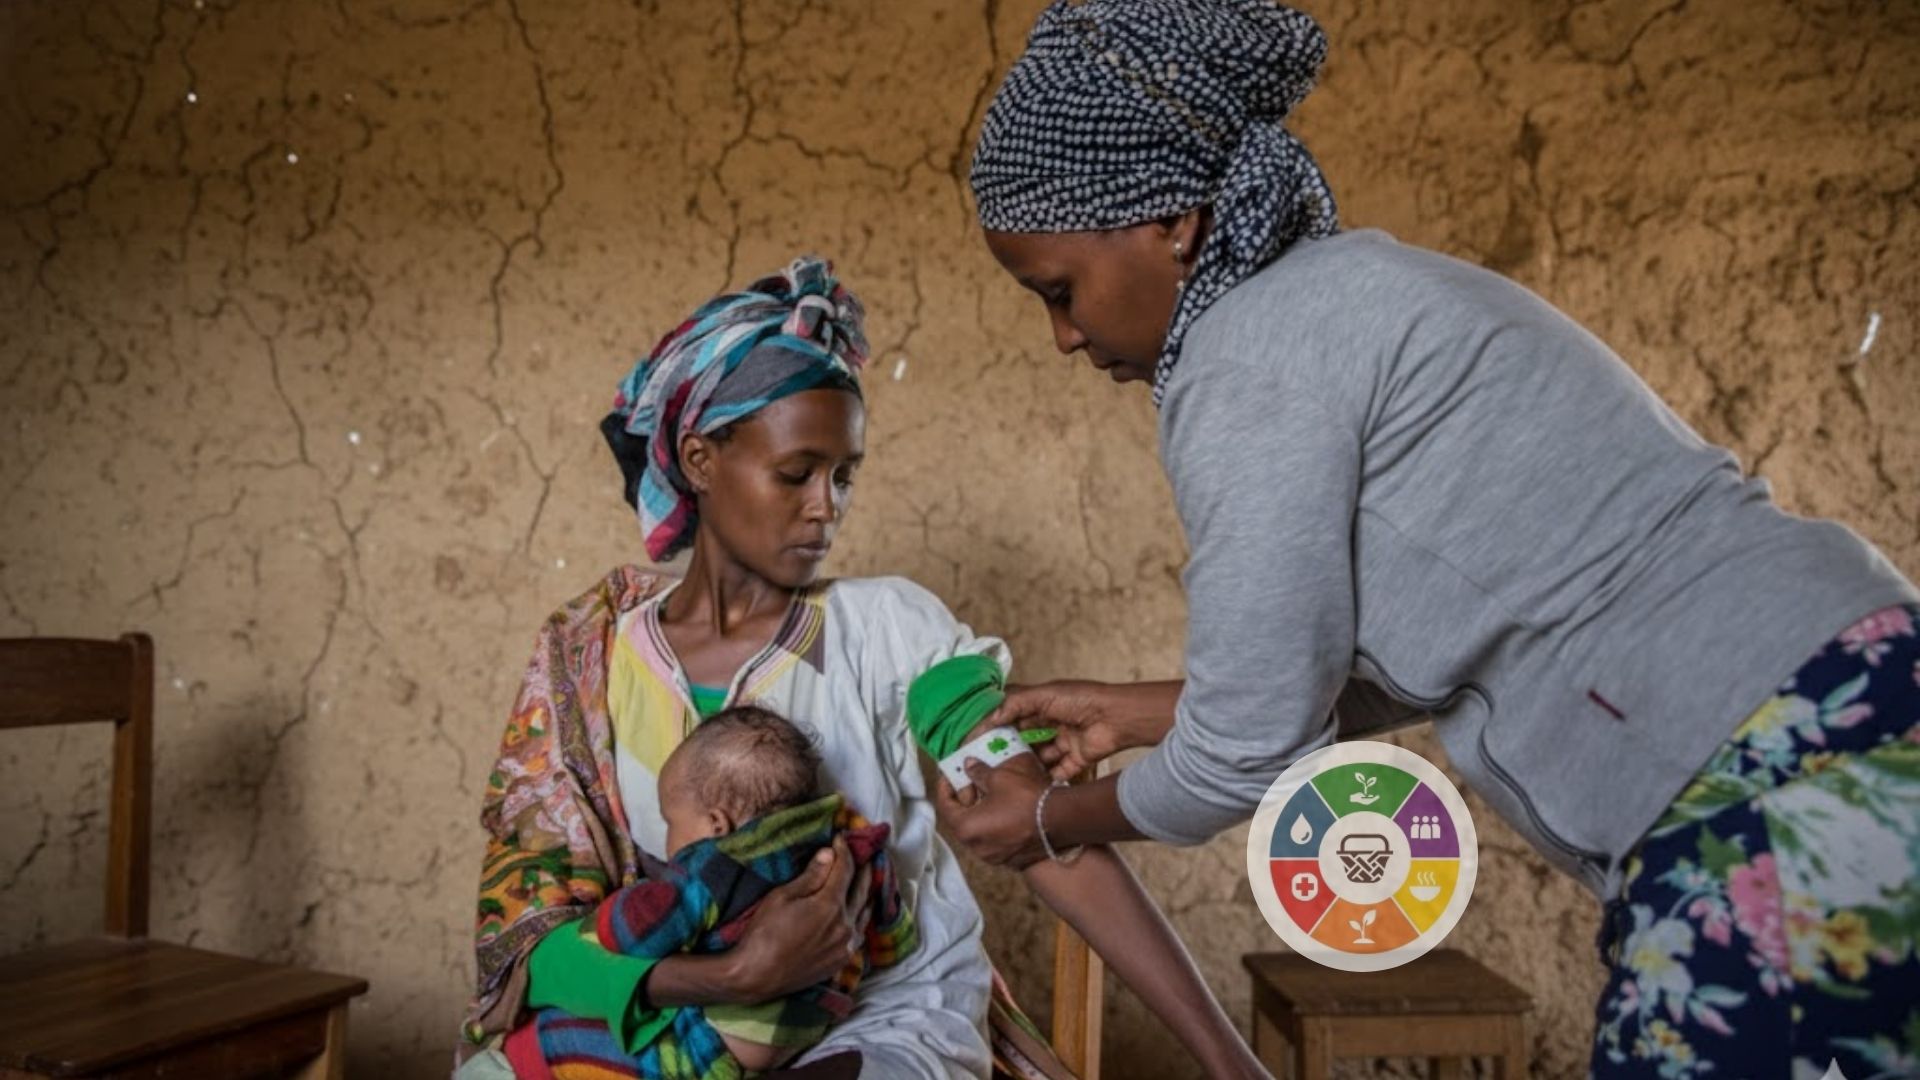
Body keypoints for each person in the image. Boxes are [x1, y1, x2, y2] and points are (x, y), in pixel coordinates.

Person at [937, 3, 1920, 1077]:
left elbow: (1245, 752)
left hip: (1756, 760)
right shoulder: (1350, 297)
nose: (1065, 337)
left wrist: (1047, 821)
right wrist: (1156, 708)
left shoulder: (1244, 355)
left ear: (1173, 219)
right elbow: (1481, 611)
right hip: (1846, 695)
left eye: (1059, 291)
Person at [461, 256, 1265, 1080]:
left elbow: (1040, 830)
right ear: (699, 461)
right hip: (677, 1029)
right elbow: (530, 938)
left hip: (881, 1025)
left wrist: (1230, 1065)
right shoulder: (587, 659)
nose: (826, 507)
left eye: (845, 476)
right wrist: (736, 976)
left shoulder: (892, 629)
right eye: (795, 472)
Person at [507, 704, 917, 1079]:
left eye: (670, 821)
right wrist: (884, 948)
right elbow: (892, 930)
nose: (669, 839)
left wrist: (608, 922)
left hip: (715, 1044)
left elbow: (641, 932)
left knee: (552, 1038)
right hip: (808, 1025)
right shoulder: (847, 839)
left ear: (717, 824)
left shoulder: (716, 867)